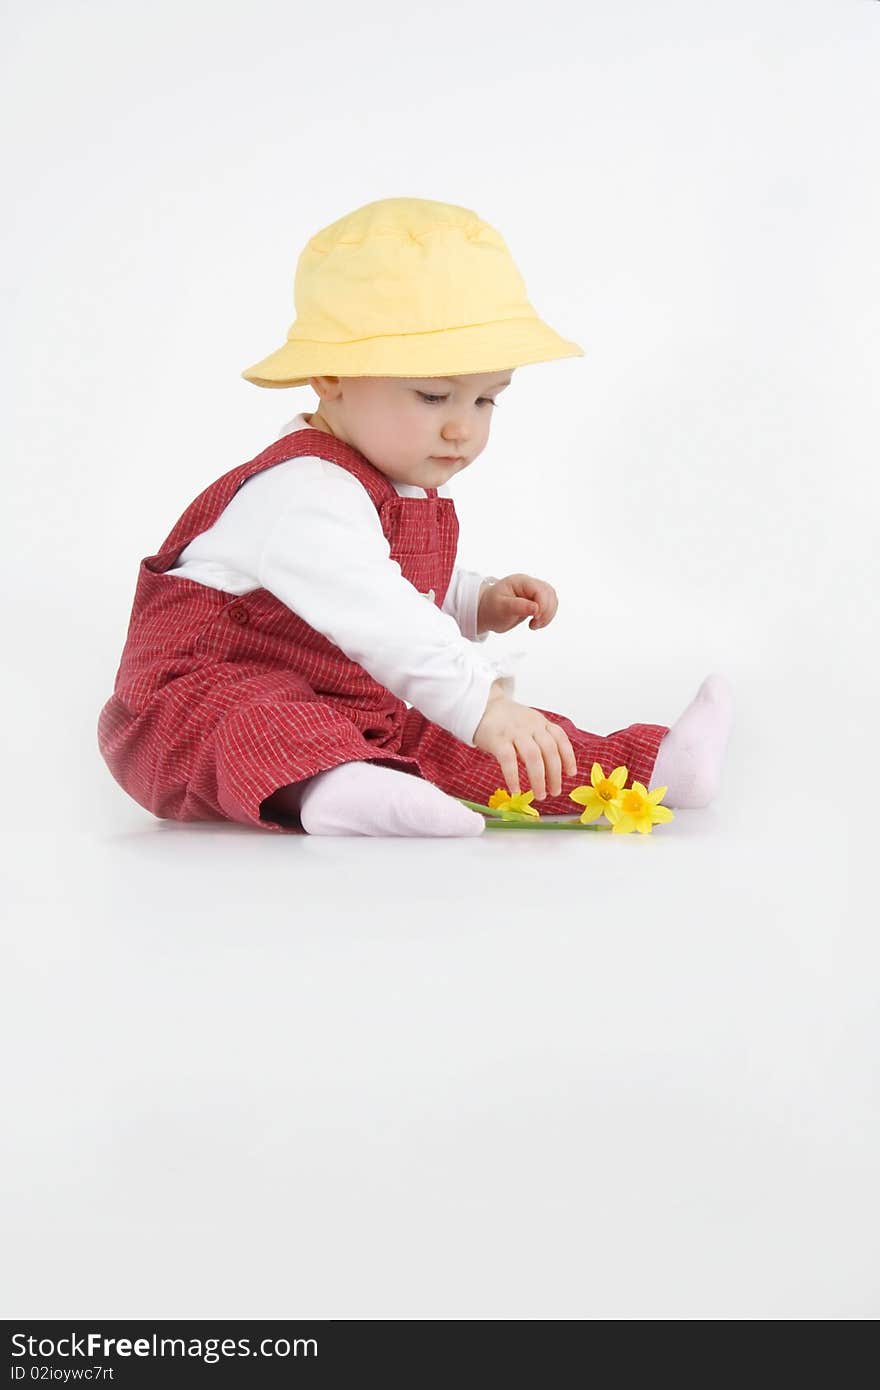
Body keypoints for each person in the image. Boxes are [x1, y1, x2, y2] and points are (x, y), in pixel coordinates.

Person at [97, 197, 732, 837]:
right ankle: (335, 791)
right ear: (330, 376)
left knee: (473, 740)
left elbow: (394, 589)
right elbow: (379, 612)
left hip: (346, 702)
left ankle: (651, 768)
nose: (463, 428)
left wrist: (472, 599)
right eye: (433, 396)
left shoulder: (390, 481)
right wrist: (481, 701)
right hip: (189, 708)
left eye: (486, 399)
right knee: (267, 720)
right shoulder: (301, 491)